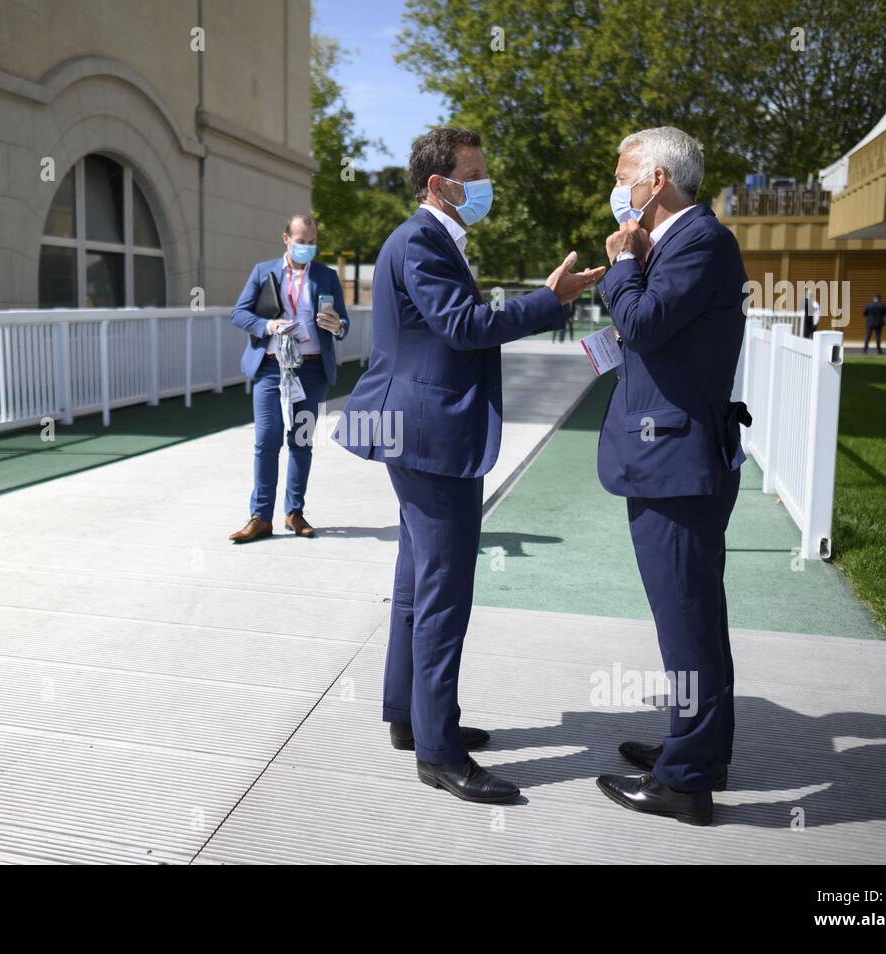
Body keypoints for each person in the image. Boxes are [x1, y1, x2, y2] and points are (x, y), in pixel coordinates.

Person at [335, 127, 605, 804]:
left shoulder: (424, 240)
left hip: (418, 430)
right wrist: (552, 300)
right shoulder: (423, 240)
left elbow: (450, 327)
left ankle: (413, 717)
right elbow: (463, 326)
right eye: (473, 174)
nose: (484, 186)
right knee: (443, 595)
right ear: (438, 184)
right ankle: (439, 751)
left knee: (415, 584)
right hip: (430, 438)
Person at [592, 126, 750, 826]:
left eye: (624, 171)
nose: (616, 184)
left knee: (686, 626)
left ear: (657, 180)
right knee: (695, 621)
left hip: (677, 466)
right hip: (672, 458)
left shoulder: (702, 241)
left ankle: (685, 782)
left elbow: (646, 324)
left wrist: (624, 262)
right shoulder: (681, 243)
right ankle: (698, 751)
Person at [229, 213, 349, 543]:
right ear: (286, 239)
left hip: (310, 371)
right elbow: (238, 313)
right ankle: (260, 517)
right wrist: (268, 326)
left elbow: (344, 324)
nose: (307, 248)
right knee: (267, 441)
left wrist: (336, 326)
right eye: (301, 242)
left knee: (300, 442)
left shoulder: (327, 276)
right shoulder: (262, 271)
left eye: (312, 243)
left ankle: (294, 512)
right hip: (271, 369)